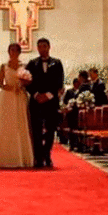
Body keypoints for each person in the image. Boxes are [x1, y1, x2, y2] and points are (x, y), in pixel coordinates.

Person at [0, 43, 34, 168]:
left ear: (19, 52)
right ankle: (2, 156)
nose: (14, 52)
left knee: (19, 124)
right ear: (8, 51)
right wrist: (10, 87)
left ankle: (21, 156)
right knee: (5, 124)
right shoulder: (3, 66)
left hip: (19, 96)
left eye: (16, 50)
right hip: (7, 96)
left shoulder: (24, 66)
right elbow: (0, 84)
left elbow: (28, 82)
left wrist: (23, 84)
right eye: (11, 50)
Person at [26, 38, 64, 168]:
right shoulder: (32, 63)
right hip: (36, 101)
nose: (42, 49)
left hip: (51, 101)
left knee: (50, 129)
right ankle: (38, 157)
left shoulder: (57, 63)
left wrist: (48, 96)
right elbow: (27, 82)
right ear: (37, 48)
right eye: (40, 46)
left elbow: (59, 82)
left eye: (44, 46)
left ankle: (47, 155)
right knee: (35, 130)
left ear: (49, 47)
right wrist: (36, 95)